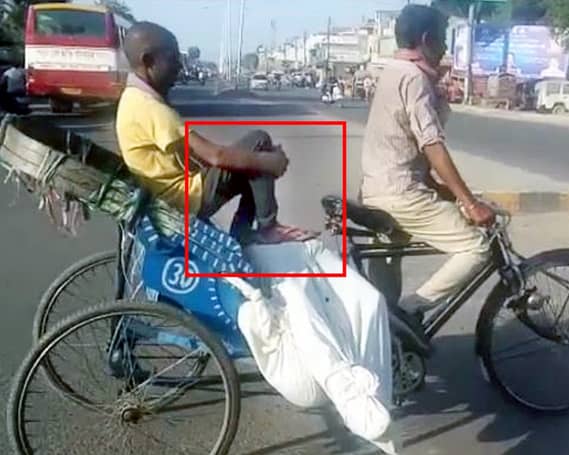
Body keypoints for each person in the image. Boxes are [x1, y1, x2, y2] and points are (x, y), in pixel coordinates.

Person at [115, 22, 314, 244]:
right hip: (186, 198)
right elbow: (215, 155)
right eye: (172, 59)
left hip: (171, 194)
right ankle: (267, 227)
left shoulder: (134, 99)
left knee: (249, 157)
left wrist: (252, 161)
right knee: (258, 141)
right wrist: (269, 162)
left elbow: (197, 155)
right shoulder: (149, 107)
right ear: (148, 61)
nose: (179, 66)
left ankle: (248, 230)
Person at [360, 5, 494, 328]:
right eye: (443, 38)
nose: (446, 47)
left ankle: (390, 333)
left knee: (387, 269)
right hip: (401, 195)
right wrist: (470, 203)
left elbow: (405, 151)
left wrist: (449, 194)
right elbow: (432, 146)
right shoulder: (414, 78)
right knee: (477, 248)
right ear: (426, 39)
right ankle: (410, 311)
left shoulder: (393, 71)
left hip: (376, 191)